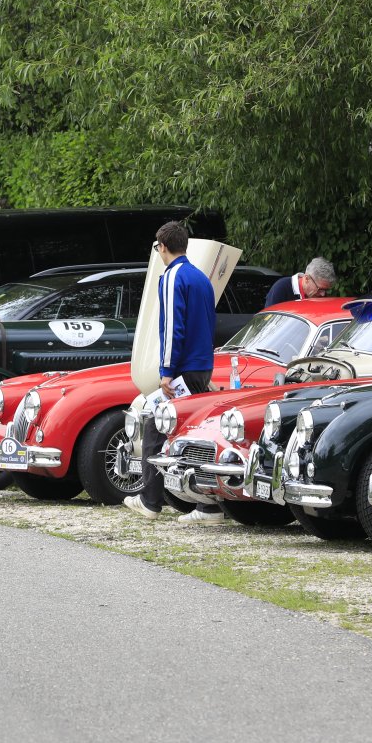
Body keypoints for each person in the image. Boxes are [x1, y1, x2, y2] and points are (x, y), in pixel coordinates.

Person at [125, 221, 226, 524]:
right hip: (201, 365)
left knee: (155, 426)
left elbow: (172, 328)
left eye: (158, 247)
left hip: (182, 368)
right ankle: (207, 505)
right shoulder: (201, 278)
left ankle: (151, 500)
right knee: (196, 432)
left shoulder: (172, 276)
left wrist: (166, 371)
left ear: (163, 247)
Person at [264, 257, 336, 308]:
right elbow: (269, 321)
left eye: (326, 290)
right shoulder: (281, 289)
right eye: (320, 289)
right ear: (307, 279)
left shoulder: (321, 293)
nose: (323, 294)